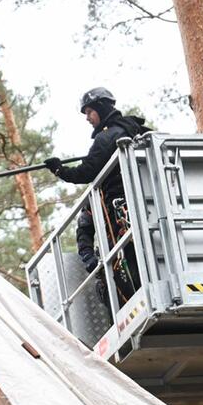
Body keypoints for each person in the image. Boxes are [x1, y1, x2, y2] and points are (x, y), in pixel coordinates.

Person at [44, 87, 150, 305]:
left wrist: (59, 170)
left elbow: (87, 172)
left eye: (89, 112)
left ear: (101, 108)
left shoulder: (107, 137)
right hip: (146, 207)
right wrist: (89, 258)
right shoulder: (137, 130)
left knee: (125, 276)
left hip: (123, 214)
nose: (87, 118)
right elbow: (85, 230)